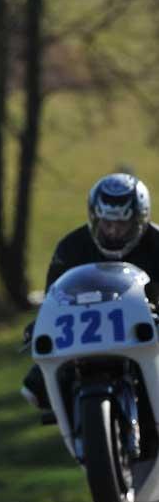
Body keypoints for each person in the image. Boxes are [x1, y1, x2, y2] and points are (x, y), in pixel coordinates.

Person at [21, 172, 157, 409]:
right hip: (86, 337)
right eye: (107, 223)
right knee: (34, 389)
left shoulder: (157, 242)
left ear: (138, 221)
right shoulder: (71, 247)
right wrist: (40, 324)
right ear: (95, 218)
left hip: (148, 332)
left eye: (121, 224)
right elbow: (54, 298)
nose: (113, 231)